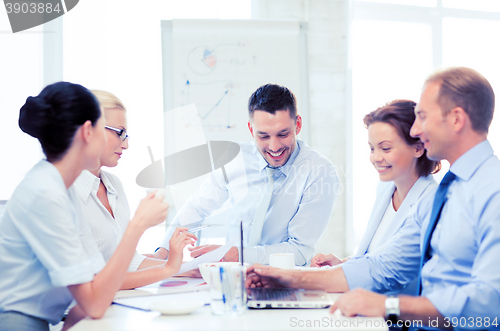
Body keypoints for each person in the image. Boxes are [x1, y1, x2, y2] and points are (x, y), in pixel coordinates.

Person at [246, 67, 500, 329]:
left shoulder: (492, 191)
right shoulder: (447, 192)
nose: (415, 128)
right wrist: (286, 278)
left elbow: (491, 306)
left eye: (422, 117)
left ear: (456, 119)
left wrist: (389, 307)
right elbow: (383, 266)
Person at [0, 82, 170, 331]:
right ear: (89, 131)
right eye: (111, 130)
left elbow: (96, 284)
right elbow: (94, 303)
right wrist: (138, 225)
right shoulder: (45, 193)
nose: (124, 143)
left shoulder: (61, 188)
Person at [150, 84, 338, 267]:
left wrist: (238, 254)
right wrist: (164, 250)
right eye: (263, 136)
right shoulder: (234, 158)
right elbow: (197, 208)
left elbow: (299, 251)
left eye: (283, 134)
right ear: (251, 130)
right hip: (231, 277)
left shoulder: (319, 172)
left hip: (285, 279)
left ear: (297, 125)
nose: (274, 147)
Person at [69, 90, 197, 290]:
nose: (126, 144)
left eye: (126, 135)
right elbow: (93, 283)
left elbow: (128, 263)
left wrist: (188, 267)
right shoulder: (65, 193)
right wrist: (169, 267)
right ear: (88, 130)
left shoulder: (114, 185)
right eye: (120, 133)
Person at [311, 100, 440, 294]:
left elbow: (394, 271)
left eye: (385, 148)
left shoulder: (430, 202)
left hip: (398, 315)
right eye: (372, 148)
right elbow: (376, 257)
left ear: (418, 148)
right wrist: (342, 264)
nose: (375, 158)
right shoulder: (386, 188)